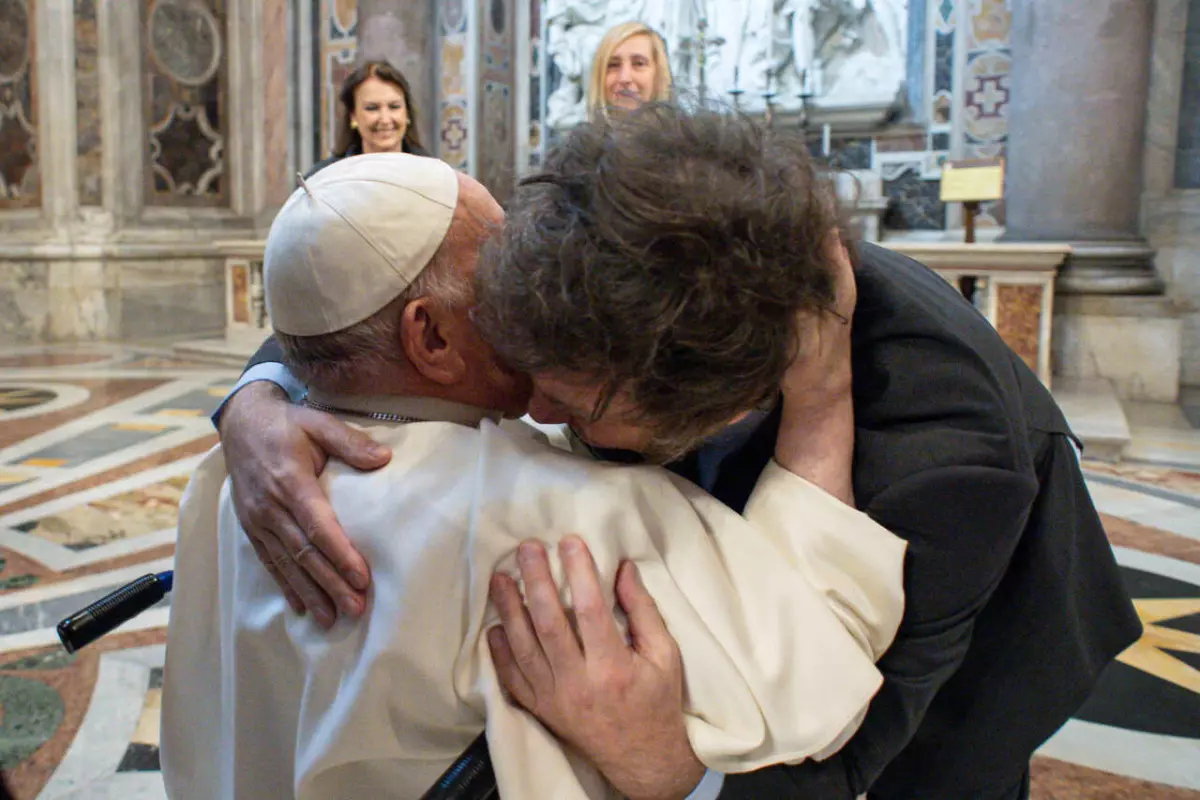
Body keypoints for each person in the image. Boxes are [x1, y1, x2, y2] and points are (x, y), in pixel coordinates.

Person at [214, 105, 1141, 799]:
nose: (524, 406)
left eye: (564, 400)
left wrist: (669, 766)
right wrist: (258, 400)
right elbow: (362, 295)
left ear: (719, 405)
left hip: (953, 702)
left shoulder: (945, 460)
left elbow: (838, 747)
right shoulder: (631, 237)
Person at [162, 152, 907, 799]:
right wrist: (820, 391)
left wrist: (250, 398)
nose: (538, 279)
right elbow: (817, 653)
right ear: (430, 335)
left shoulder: (231, 483)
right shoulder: (554, 516)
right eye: (501, 271)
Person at [306, 60, 429, 178]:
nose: (385, 120)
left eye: (394, 107)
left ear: (407, 113)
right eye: (372, 108)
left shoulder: (433, 175)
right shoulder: (323, 179)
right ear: (353, 116)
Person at [588, 22, 673, 118]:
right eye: (614, 65)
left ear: (658, 73)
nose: (624, 78)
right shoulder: (581, 132)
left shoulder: (682, 132)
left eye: (639, 63)